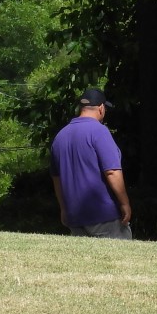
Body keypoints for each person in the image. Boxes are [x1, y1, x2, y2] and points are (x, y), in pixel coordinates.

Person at [50, 87, 132, 238]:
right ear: (101, 108)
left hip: (75, 218)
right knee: (118, 260)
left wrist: (63, 208)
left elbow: (57, 179)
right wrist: (124, 203)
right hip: (103, 215)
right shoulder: (99, 131)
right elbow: (112, 171)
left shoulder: (60, 136)